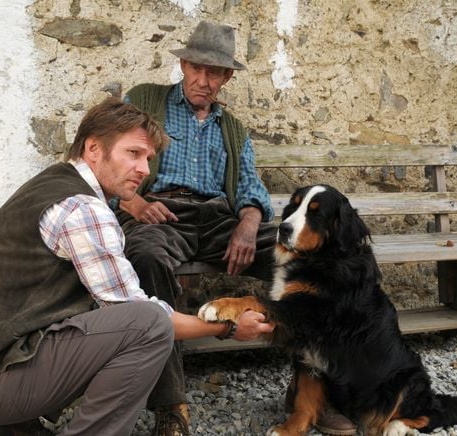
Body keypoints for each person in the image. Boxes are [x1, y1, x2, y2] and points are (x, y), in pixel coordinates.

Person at [0, 97, 274, 436]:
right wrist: (225, 327)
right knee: (148, 324)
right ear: (94, 148)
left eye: (148, 159)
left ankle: (12, 427)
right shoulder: (83, 208)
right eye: (133, 154)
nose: (144, 169)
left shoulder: (56, 182)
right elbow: (139, 312)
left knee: (115, 319)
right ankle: (19, 418)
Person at [118, 21, 358, 436]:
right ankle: (170, 404)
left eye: (214, 73)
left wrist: (248, 224)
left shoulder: (232, 128)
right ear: (182, 64)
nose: (203, 80)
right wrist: (133, 202)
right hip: (159, 215)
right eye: (196, 68)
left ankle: (313, 388)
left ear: (227, 77)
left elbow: (251, 190)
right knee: (147, 258)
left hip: (218, 221)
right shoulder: (144, 102)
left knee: (308, 257)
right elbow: (109, 161)